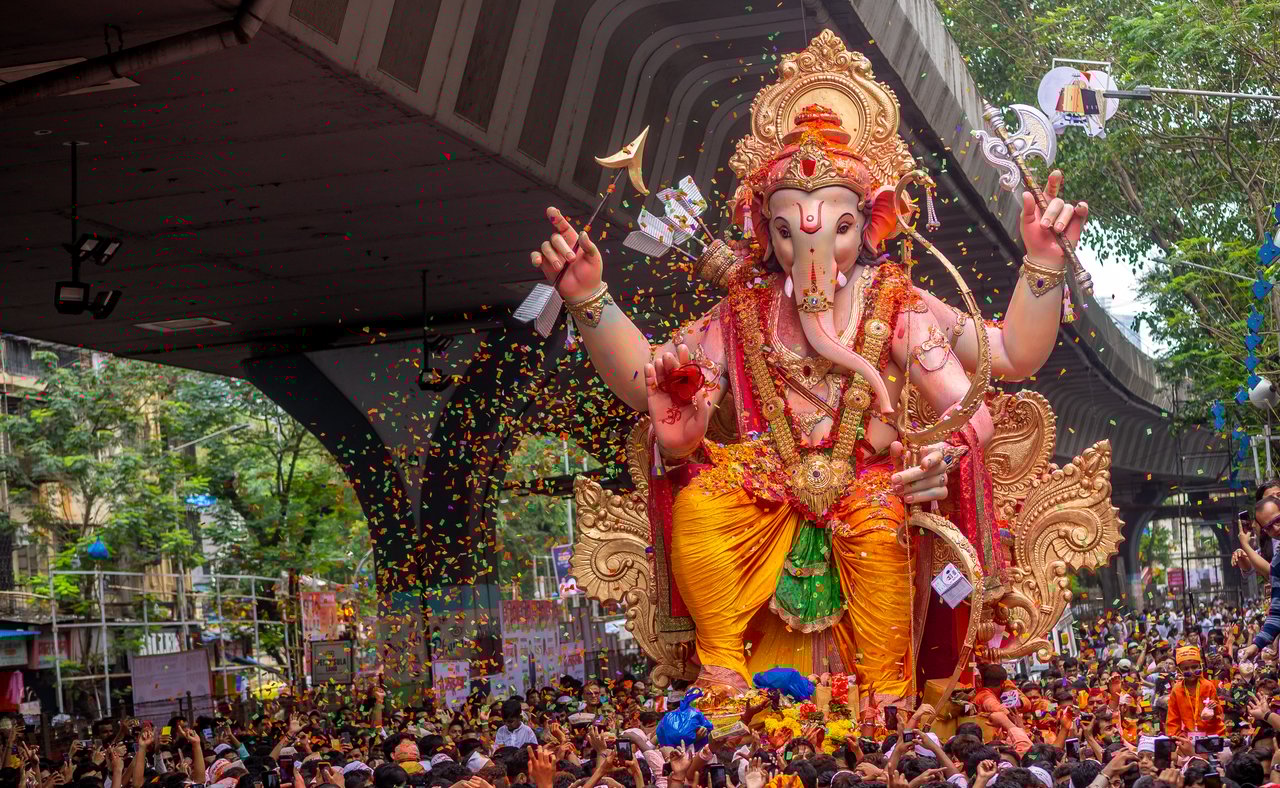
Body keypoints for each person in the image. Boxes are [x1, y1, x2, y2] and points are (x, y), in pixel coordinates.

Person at [1164, 646, 1223, 737]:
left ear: (1200, 666)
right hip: (1188, 736)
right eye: (1186, 669)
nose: (1191, 671)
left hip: (1213, 734)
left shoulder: (1208, 686)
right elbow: (1173, 719)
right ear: (1179, 670)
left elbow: (1219, 712)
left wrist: (1214, 707)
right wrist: (1176, 737)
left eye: (1194, 667)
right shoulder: (1176, 690)